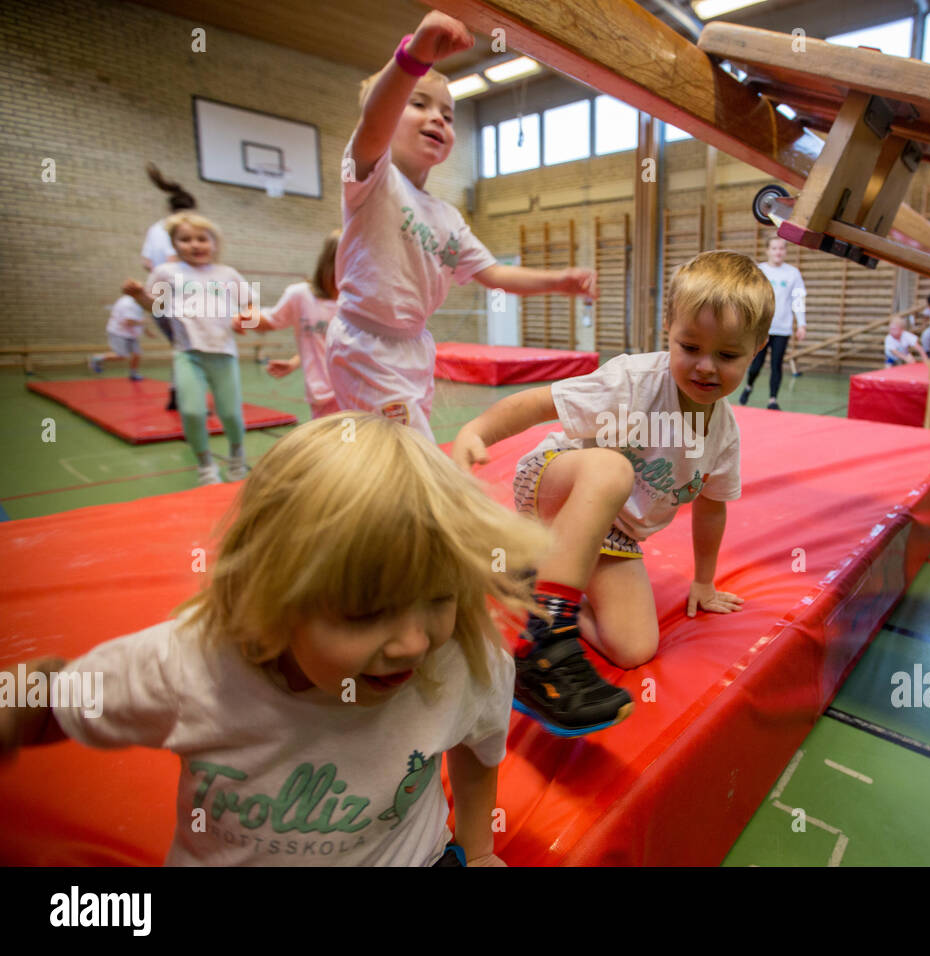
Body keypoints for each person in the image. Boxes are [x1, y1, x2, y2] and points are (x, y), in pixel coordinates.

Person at [0, 413, 549, 866]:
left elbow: (478, 745)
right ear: (274, 597)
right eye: (365, 613)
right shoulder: (194, 664)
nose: (411, 644)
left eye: (437, 598)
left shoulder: (459, 662)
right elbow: (52, 698)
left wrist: (477, 852)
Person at [451, 251, 773, 737]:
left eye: (727, 356)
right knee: (611, 469)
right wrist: (477, 430)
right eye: (690, 346)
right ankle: (542, 637)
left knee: (635, 647)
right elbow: (541, 402)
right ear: (668, 328)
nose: (706, 367)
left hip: (613, 535)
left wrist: (703, 582)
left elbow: (711, 509)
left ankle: (531, 581)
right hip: (556, 485)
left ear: (758, 349)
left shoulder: (723, 436)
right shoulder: (635, 382)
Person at [330, 10, 597, 440]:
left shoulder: (447, 218)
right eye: (418, 104)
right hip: (366, 343)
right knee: (408, 451)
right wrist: (414, 56)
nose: (438, 118)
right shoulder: (371, 179)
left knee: (382, 451)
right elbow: (374, 123)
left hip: (413, 346)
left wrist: (559, 280)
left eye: (449, 115)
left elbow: (494, 274)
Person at [123, 213, 250, 486]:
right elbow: (154, 306)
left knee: (230, 413)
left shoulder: (227, 274)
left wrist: (244, 322)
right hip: (187, 353)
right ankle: (205, 465)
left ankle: (237, 455)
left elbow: (249, 305)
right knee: (191, 412)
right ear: (174, 244)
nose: (195, 245)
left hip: (223, 354)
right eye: (185, 239)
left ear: (214, 243)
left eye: (202, 239)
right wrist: (139, 295)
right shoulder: (167, 273)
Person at [247, 231, 341, 419]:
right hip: (322, 395)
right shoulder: (301, 295)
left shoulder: (358, 302)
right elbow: (271, 321)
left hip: (354, 394)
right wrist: (243, 318)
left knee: (352, 443)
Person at [142, 164, 196, 410]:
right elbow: (174, 262)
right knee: (188, 346)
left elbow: (146, 262)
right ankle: (183, 396)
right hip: (175, 295)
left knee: (181, 345)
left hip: (156, 293)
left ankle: (177, 394)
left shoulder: (154, 228)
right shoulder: (178, 230)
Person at [739, 236, 805, 410]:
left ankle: (772, 400)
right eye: (774, 248)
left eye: (782, 248)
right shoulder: (759, 271)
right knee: (756, 364)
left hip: (782, 328)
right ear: (768, 250)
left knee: (777, 364)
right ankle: (748, 386)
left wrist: (802, 324)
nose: (778, 252)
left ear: (785, 251)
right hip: (762, 328)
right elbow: (748, 297)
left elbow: (798, 299)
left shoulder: (793, 273)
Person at [88, 294, 155, 381]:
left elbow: (139, 318)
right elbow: (130, 322)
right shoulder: (127, 304)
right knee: (121, 355)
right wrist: (144, 322)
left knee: (137, 354)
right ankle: (97, 358)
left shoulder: (138, 303)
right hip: (119, 332)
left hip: (131, 333)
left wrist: (147, 331)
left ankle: (133, 374)